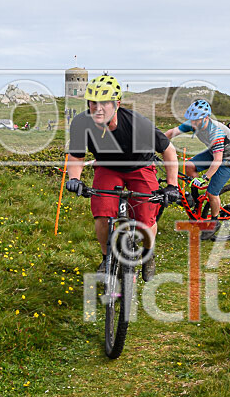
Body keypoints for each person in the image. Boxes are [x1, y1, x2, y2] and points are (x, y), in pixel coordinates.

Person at [65, 75, 179, 281]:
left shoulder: (137, 123)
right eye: (93, 102)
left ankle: (147, 254)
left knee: (146, 217)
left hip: (140, 166)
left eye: (104, 103)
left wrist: (172, 186)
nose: (98, 108)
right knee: (102, 215)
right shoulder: (81, 123)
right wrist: (74, 179)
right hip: (108, 168)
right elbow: (76, 155)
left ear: (116, 104)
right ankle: (106, 258)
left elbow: (169, 150)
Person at [164, 100, 230, 234]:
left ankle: (215, 221)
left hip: (229, 159)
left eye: (196, 120)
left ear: (206, 118)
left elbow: (218, 160)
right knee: (189, 166)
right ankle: (194, 200)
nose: (192, 123)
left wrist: (205, 177)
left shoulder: (215, 132)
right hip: (214, 153)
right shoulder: (194, 123)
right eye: (191, 120)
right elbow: (172, 133)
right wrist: (156, 142)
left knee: (212, 192)